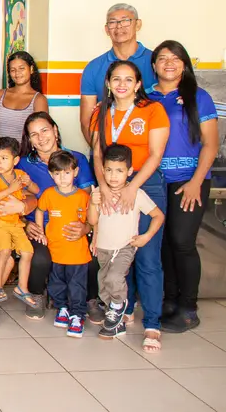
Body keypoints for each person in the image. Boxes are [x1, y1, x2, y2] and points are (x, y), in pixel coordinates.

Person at [90, 60, 169, 351]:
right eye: (116, 79)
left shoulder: (152, 110)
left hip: (144, 184)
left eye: (128, 79)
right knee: (116, 252)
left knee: (145, 255)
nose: (122, 84)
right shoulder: (101, 111)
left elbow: (156, 154)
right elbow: (97, 154)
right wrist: (104, 186)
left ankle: (153, 324)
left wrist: (131, 188)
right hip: (110, 184)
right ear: (108, 83)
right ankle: (123, 309)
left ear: (138, 84)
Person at [148, 40, 219, 332]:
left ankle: (189, 308)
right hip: (155, 181)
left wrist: (196, 182)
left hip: (189, 180)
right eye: (162, 58)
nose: (169, 63)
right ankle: (170, 300)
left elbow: (211, 144)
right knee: (163, 242)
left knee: (182, 241)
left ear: (184, 64)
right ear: (154, 65)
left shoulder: (198, 97)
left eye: (175, 58)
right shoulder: (146, 97)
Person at [18, 112, 97, 321]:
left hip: (73, 225)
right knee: (40, 258)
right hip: (40, 227)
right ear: (29, 140)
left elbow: (88, 199)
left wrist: (86, 227)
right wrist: (24, 223)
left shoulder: (76, 158)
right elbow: (14, 199)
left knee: (91, 257)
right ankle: (37, 296)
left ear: (55, 130)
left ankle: (90, 299)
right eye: (34, 134)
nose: (41, 137)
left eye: (44, 130)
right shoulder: (23, 164)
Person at [89, 144, 165, 339]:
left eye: (119, 171)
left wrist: (146, 236)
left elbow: (158, 216)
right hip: (103, 248)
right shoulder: (99, 193)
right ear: (102, 170)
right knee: (103, 285)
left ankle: (118, 306)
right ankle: (116, 321)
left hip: (124, 247)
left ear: (129, 171)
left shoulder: (136, 194)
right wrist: (92, 202)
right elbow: (92, 220)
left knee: (115, 278)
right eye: (109, 170)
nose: (113, 176)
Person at [79, 3, 158, 145]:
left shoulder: (157, 62)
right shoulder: (93, 67)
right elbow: (87, 121)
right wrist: (101, 154)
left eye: (125, 20)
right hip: (107, 151)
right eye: (113, 22)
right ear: (106, 29)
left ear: (138, 24)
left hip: (149, 152)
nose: (119, 26)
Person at [36, 150, 92, 338]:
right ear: (51, 174)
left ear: (75, 172)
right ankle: (62, 308)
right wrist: (40, 231)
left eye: (67, 172)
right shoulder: (49, 194)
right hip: (55, 249)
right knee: (56, 282)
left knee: (77, 285)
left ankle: (77, 315)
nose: (62, 178)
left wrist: (93, 237)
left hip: (77, 252)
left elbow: (92, 220)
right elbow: (39, 210)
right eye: (57, 173)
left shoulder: (83, 196)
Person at [0, 137, 38, 307]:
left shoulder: (20, 175)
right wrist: (11, 189)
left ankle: (22, 287)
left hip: (16, 222)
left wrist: (29, 183)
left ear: (15, 160)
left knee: (27, 252)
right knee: (5, 251)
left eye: (3, 158)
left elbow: (36, 191)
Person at [0, 51, 48, 142]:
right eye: (13, 70)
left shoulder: (39, 99)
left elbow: (40, 132)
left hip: (23, 151)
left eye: (21, 68)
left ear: (31, 69)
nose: (17, 73)